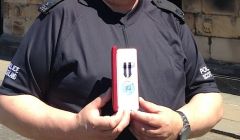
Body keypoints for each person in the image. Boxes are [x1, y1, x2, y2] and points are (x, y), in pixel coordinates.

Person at [0, 0, 223, 139]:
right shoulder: (60, 16)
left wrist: (179, 123)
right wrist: (75, 128)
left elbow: (208, 96)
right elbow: (10, 101)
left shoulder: (170, 19)